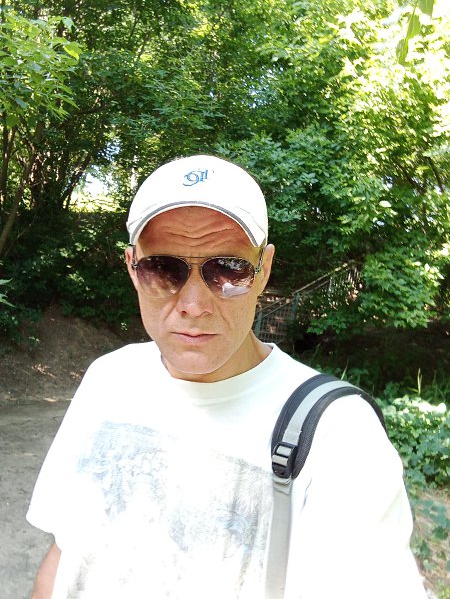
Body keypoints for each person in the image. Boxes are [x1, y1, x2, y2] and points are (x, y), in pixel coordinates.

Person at [27, 155, 427, 599]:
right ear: (131, 268)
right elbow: (64, 555)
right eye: (163, 269)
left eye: (228, 270)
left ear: (264, 270)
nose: (194, 305)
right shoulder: (108, 379)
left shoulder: (339, 434)